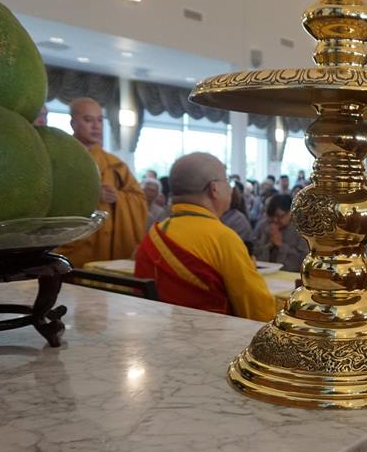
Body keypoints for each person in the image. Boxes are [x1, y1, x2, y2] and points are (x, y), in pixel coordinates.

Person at [134, 153, 274, 321]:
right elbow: (259, 311)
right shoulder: (222, 238)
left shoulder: (155, 233)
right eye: (227, 181)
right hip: (210, 335)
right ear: (214, 189)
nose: (230, 188)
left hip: (156, 331)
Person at [57, 98, 147, 267]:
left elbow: (139, 200)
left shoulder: (115, 165)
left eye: (99, 120)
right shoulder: (59, 159)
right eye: (88, 120)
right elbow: (49, 198)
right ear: (73, 123)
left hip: (107, 251)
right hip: (71, 244)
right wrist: (91, 196)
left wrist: (118, 198)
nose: (96, 126)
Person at [253, 194, 309, 272]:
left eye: (280, 216)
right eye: (271, 216)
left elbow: (303, 262)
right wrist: (268, 243)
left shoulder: (301, 230)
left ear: (291, 213)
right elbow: (253, 253)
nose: (275, 220)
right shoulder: (262, 225)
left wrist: (280, 245)